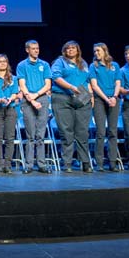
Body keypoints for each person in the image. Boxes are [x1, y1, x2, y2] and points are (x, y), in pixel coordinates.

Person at [51, 41, 93, 173]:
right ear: (64, 51)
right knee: (67, 131)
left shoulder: (83, 63)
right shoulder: (60, 62)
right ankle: (67, 162)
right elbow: (56, 77)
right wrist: (71, 87)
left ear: (78, 50)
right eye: (67, 48)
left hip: (82, 98)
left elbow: (87, 80)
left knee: (82, 132)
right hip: (63, 98)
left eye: (73, 48)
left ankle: (85, 162)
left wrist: (91, 96)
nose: (70, 50)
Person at [16, 40, 52, 174]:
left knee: (40, 134)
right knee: (30, 135)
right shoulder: (22, 65)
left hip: (41, 98)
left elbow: (48, 85)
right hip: (27, 100)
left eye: (37, 48)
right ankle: (29, 165)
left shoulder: (45, 65)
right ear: (27, 50)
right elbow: (22, 84)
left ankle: (42, 164)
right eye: (33, 48)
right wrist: (31, 100)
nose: (36, 50)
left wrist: (36, 96)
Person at [89, 43, 122, 171]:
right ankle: (100, 163)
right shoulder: (93, 66)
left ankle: (113, 162)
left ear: (104, 51)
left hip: (113, 99)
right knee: (101, 132)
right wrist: (106, 99)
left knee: (112, 132)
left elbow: (118, 82)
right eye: (94, 51)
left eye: (98, 50)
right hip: (100, 100)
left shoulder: (115, 66)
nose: (96, 53)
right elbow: (94, 85)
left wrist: (114, 97)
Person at [0, 54, 20, 174]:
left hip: (10, 110)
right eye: (0, 62)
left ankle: (8, 164)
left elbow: (15, 93)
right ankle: (0, 164)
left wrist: (10, 99)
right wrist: (0, 100)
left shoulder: (13, 78)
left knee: (10, 138)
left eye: (4, 61)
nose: (2, 63)